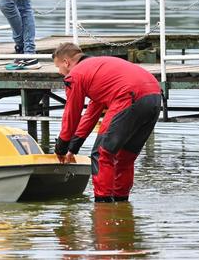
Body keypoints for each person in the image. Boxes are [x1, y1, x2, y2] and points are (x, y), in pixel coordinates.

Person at [52, 42, 161, 202]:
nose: (60, 72)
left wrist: (61, 147)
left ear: (66, 62)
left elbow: (72, 114)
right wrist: (73, 147)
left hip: (129, 96)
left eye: (58, 67)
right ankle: (121, 204)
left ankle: (103, 207)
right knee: (125, 156)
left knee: (102, 154)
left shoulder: (75, 75)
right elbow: (91, 114)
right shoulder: (98, 69)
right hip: (154, 97)